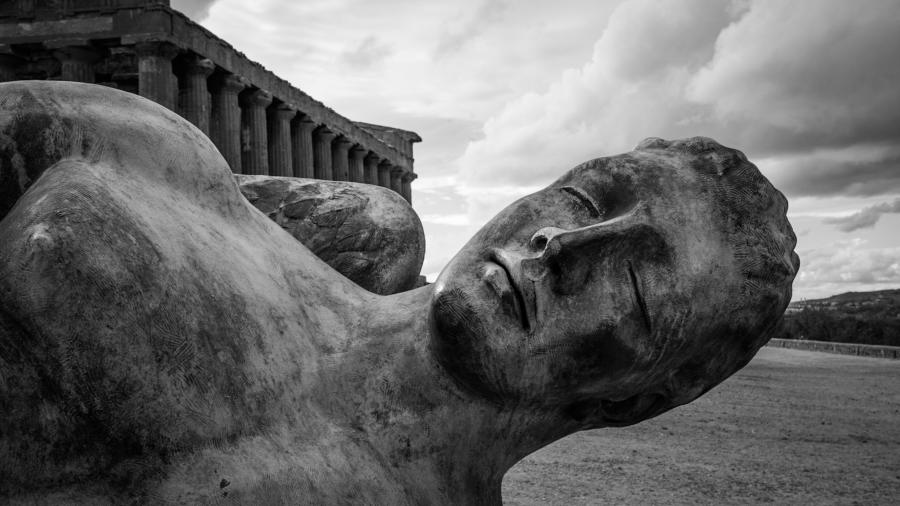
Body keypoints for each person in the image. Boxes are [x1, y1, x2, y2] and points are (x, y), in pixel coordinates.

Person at [0, 81, 797, 505]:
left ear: (643, 398)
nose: (563, 246)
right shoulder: (181, 174)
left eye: (633, 283)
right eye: (584, 198)